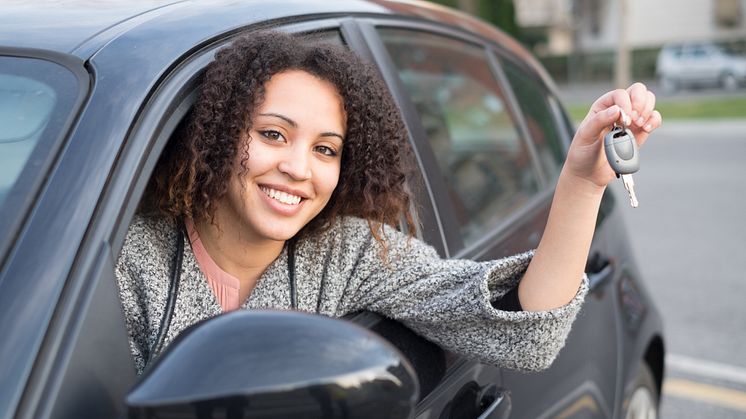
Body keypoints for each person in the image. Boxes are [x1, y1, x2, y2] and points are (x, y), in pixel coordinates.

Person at [116, 31, 662, 375]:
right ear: (217, 134)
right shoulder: (124, 260)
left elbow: (524, 336)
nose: (299, 169)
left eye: (326, 149)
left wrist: (582, 183)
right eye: (273, 135)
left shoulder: (344, 253)